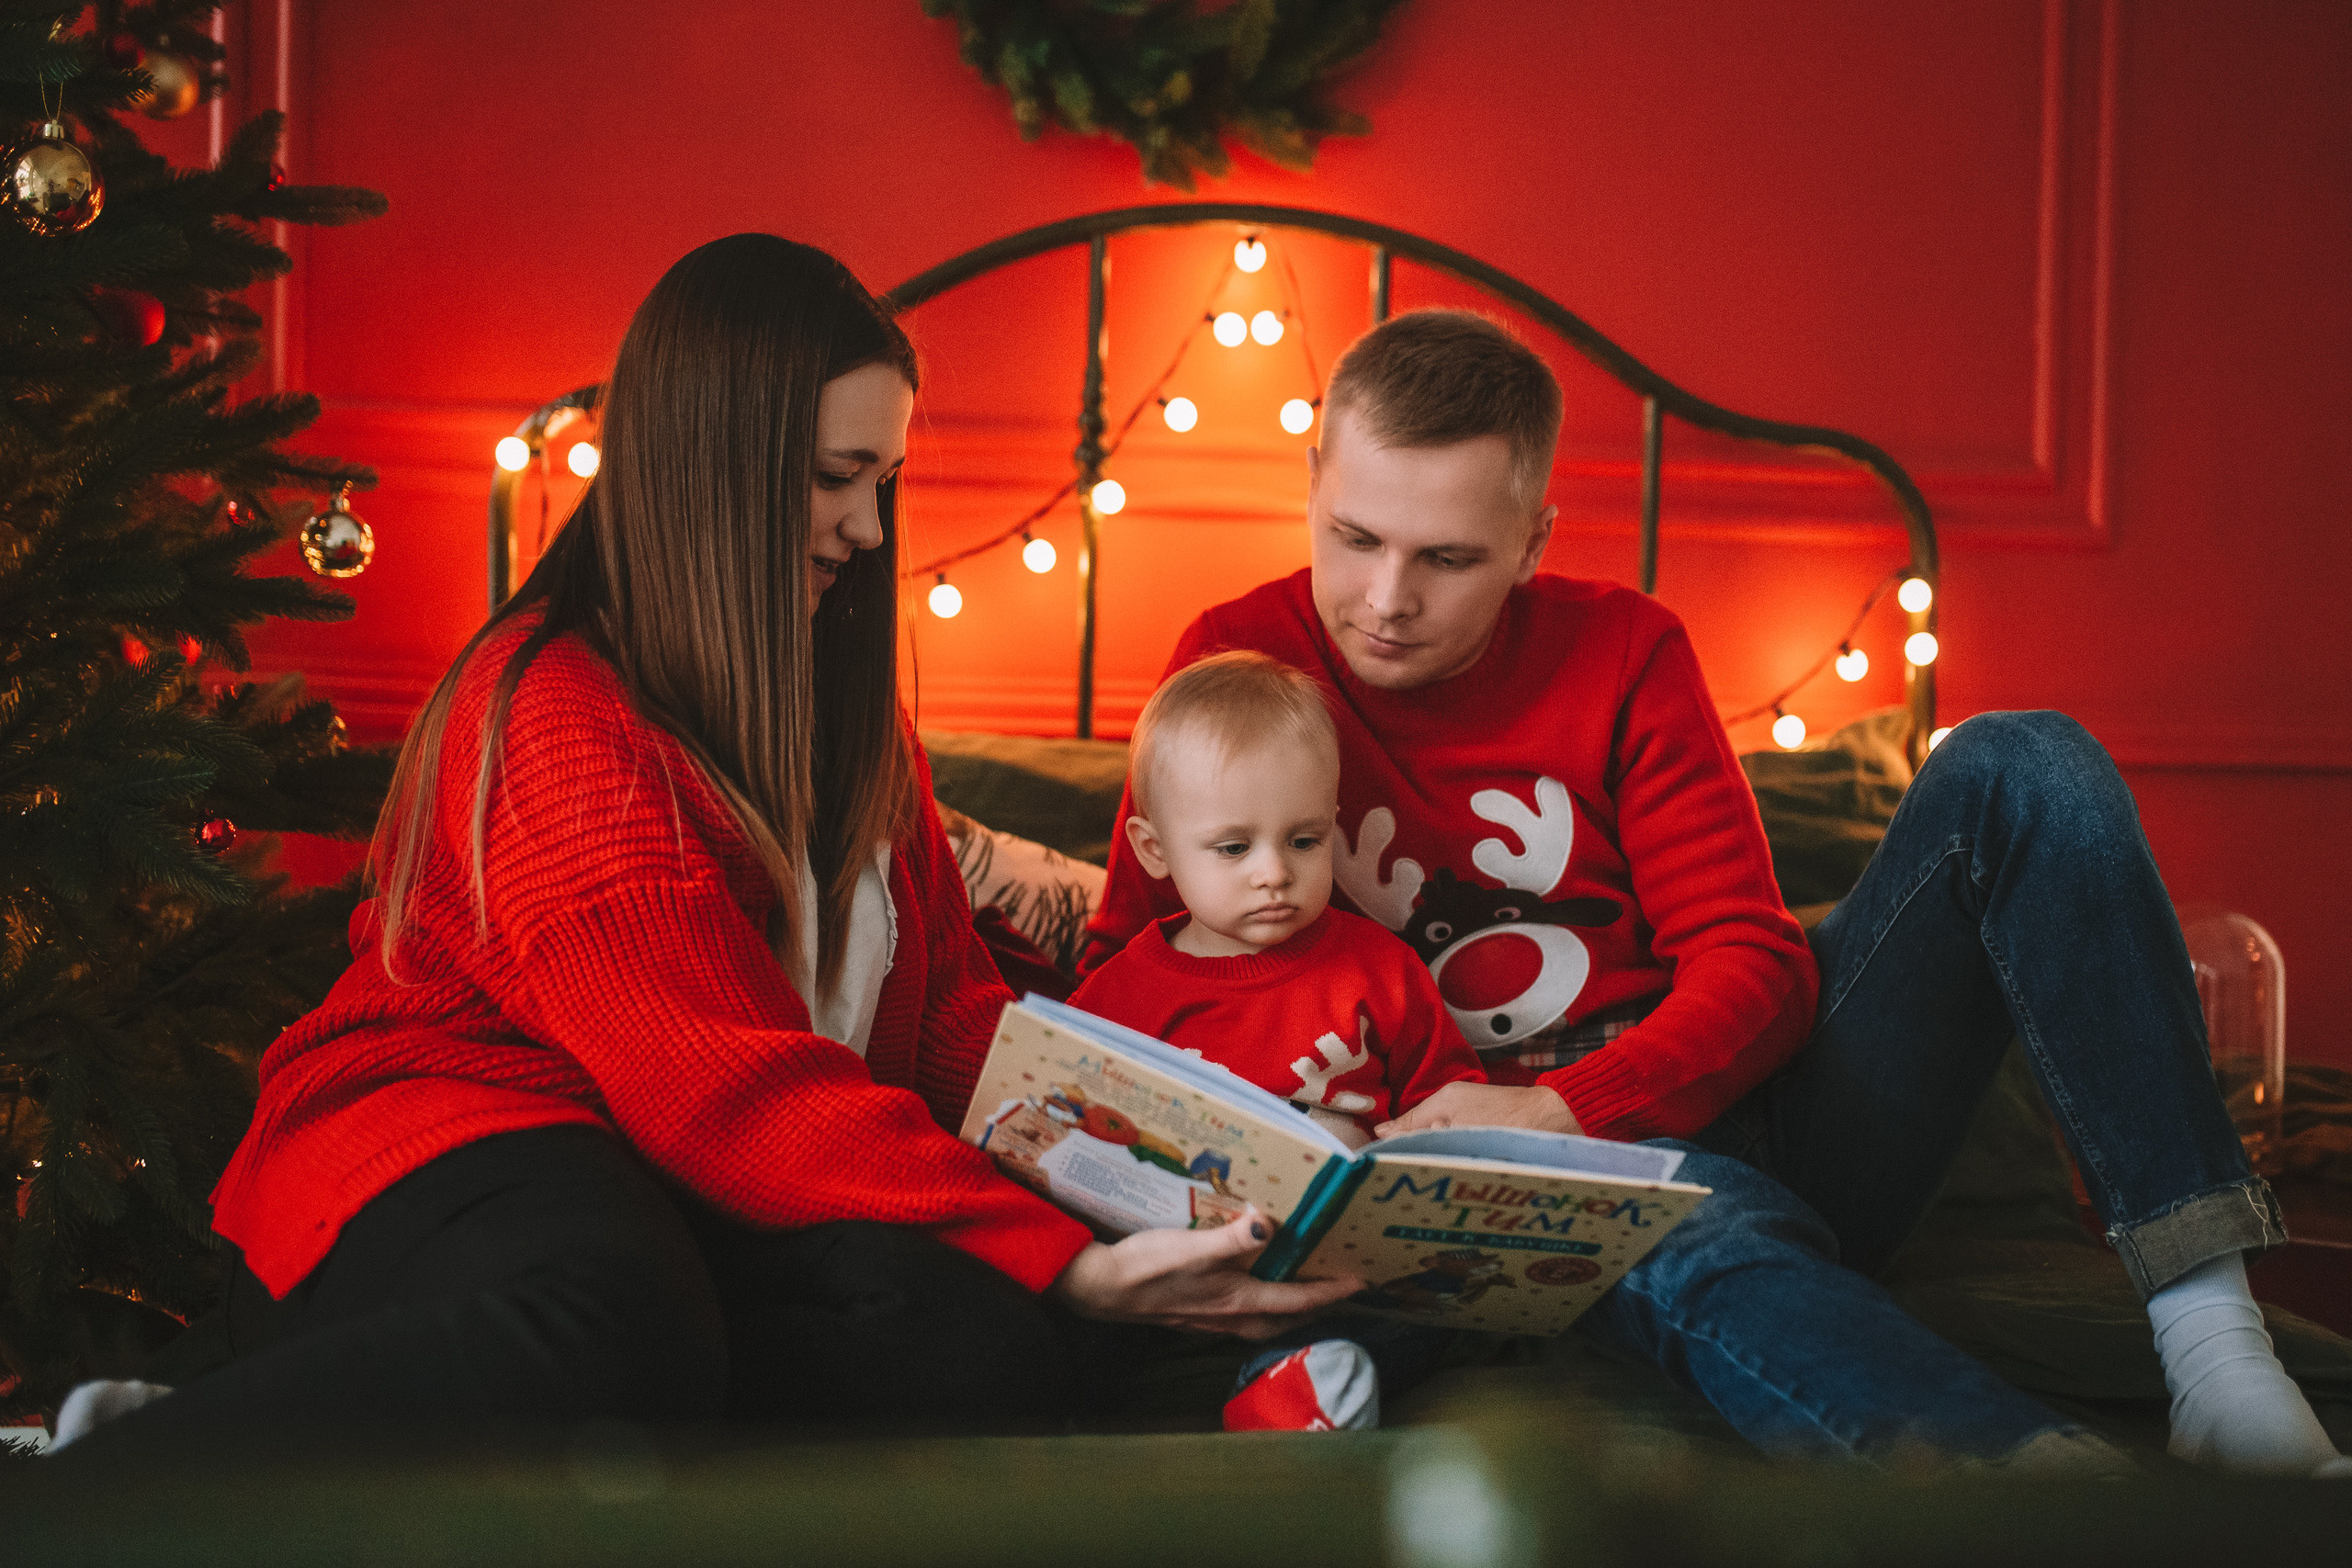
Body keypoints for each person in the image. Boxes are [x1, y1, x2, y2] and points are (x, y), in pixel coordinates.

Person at [49, 234, 1357, 1458]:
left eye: (882, 481)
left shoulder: (848, 708)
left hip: (694, 1184)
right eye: (834, 478)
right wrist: (1058, 1254)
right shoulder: (555, 709)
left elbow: (959, 1024)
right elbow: (716, 1085)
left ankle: (604, 1396)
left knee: (979, 1344)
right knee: (621, 1314)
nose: (867, 528)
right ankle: (139, 1459)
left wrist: (1181, 1176)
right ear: (711, 467)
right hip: (465, 1129)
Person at [1085, 309, 2352, 1478]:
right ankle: (2064, 1506)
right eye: (1354, 537)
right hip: (1416, 1183)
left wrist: (1566, 1108)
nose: (1385, 599)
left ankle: (2217, 1359)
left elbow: (1756, 961)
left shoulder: (1625, 649)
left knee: (2026, 763)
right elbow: (1123, 993)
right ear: (1313, 485)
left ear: (1532, 542)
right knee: (1688, 1234)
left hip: (1704, 1122)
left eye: (1448, 557)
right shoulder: (1235, 662)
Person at [1068, 650, 1485, 1433]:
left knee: (1427, 1313)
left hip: (1342, 1280)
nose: (1274, 873)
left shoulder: (1380, 967)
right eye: (1234, 848)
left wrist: (1423, 1141)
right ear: (1154, 850)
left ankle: (1297, 1385)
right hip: (1179, 1280)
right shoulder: (1118, 996)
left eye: (1303, 840)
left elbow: (1451, 1105)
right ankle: (1283, 1387)